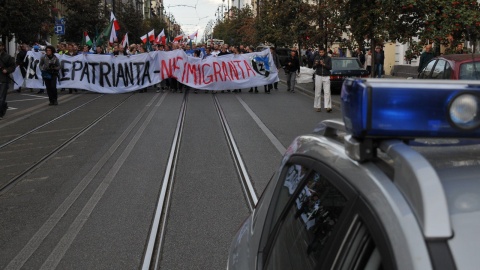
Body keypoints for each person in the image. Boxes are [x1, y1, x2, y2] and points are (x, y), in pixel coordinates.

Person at [313, 47, 332, 113]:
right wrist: (316, 64)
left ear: (324, 52)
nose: (321, 53)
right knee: (317, 92)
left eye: (322, 52)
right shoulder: (316, 58)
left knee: (327, 92)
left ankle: (328, 106)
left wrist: (323, 64)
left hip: (326, 76)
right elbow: (313, 67)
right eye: (320, 52)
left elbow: (330, 67)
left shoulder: (328, 58)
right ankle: (318, 106)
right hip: (318, 75)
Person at [0, 41, 15, 119]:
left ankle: (0, 113)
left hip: (3, 79)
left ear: (2, 47)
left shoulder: (7, 57)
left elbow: (13, 67)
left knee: (1, 97)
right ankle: (3, 107)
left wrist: (7, 70)